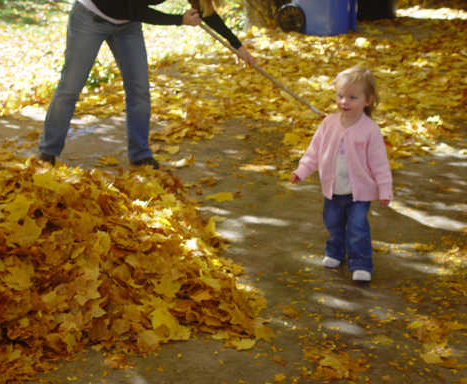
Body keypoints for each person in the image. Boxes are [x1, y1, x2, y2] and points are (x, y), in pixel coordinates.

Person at [39, 0, 255, 169]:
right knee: (70, 87)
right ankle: (48, 151)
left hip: (127, 26)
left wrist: (237, 45)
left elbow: (205, 12)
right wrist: (180, 20)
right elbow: (138, 11)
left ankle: (140, 153)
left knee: (139, 89)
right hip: (91, 16)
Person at [290, 66, 393, 282]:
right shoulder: (329, 123)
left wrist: (385, 189)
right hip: (333, 189)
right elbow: (314, 151)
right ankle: (336, 251)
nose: (344, 102)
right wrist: (302, 171)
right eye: (340, 96)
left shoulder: (370, 130)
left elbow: (380, 163)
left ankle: (361, 263)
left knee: (357, 227)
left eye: (352, 97)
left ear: (368, 100)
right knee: (333, 223)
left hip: (359, 194)